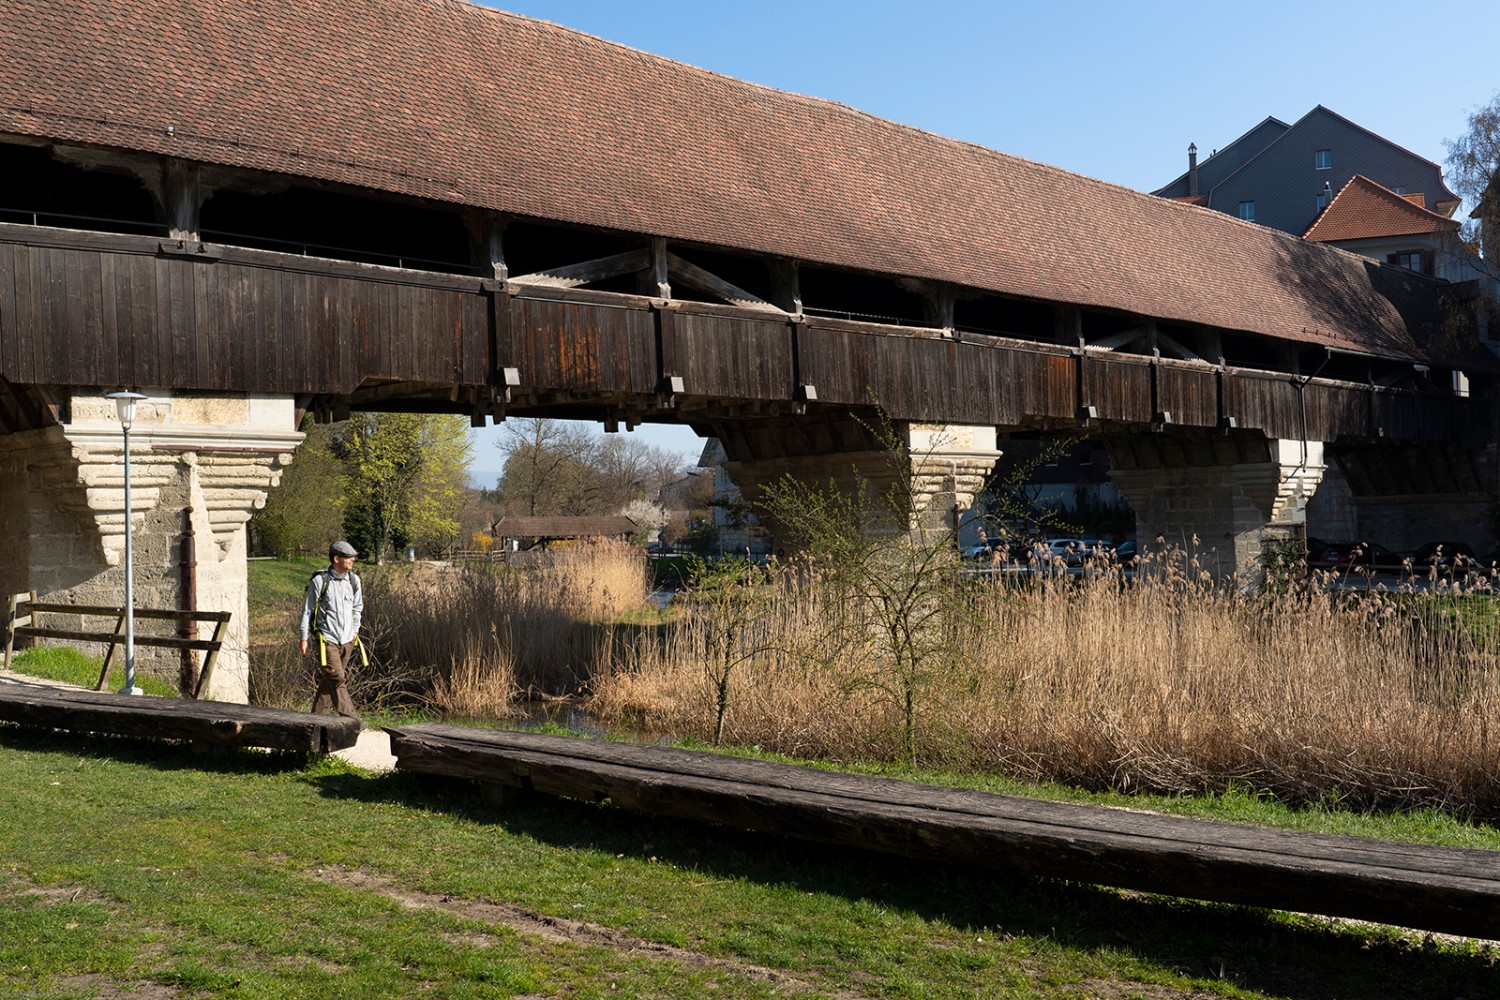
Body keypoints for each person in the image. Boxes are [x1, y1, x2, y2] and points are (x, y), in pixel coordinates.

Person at [297, 540, 365, 719]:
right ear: (336, 559)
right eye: (348, 557)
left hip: (348, 640)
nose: (352, 560)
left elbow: (358, 607)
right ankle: (353, 720)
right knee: (337, 678)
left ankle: (315, 722)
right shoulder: (320, 581)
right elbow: (307, 610)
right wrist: (303, 638)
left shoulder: (354, 580)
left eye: (353, 557)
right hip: (326, 640)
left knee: (329, 681)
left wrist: (355, 630)